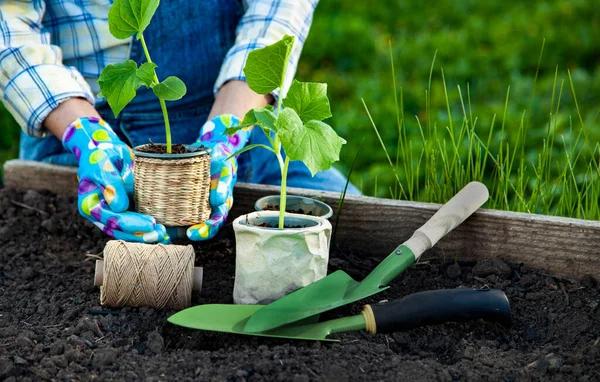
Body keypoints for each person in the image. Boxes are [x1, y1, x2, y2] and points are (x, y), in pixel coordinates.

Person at [0, 0, 359, 243]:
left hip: (240, 128)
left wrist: (229, 130)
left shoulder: (236, 132)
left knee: (361, 237)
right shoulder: (87, 144)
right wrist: (87, 139)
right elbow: (8, 22)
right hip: (81, 144)